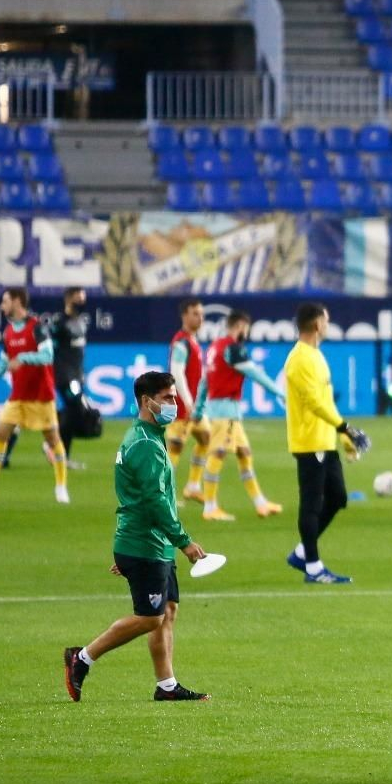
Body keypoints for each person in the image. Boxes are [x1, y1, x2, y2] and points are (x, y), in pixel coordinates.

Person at [63, 371, 210, 702]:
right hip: (146, 542)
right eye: (168, 398)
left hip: (150, 543)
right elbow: (153, 501)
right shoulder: (145, 444)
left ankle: (167, 685)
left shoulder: (145, 435)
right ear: (148, 401)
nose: (175, 404)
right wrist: (183, 541)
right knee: (150, 617)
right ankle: (82, 658)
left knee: (167, 611)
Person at [283, 302, 371, 584]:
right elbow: (314, 402)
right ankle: (313, 567)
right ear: (318, 323)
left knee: (338, 497)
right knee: (310, 503)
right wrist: (344, 427)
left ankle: (301, 552)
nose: (328, 324)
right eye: (327, 319)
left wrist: (344, 436)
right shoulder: (299, 359)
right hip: (309, 441)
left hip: (324, 438)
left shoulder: (315, 355)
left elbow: (324, 402)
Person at [0, 287, 71, 504]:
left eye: (5, 301)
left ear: (17, 302)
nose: (2, 306)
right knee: (0, 434)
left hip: (41, 396)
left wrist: (23, 358)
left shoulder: (37, 327)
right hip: (18, 396)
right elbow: (2, 365)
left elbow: (47, 355)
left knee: (52, 439)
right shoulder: (9, 332)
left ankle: (61, 486)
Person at [193, 309, 286, 523]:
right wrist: (280, 393)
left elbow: (204, 381)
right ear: (240, 326)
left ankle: (261, 504)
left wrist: (198, 409)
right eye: (247, 328)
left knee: (244, 453)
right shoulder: (233, 349)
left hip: (224, 412)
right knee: (217, 455)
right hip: (225, 413)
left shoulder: (215, 348)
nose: (247, 332)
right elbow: (255, 374)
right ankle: (210, 507)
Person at [166, 298, 213, 503]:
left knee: (206, 439)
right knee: (175, 448)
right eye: (195, 313)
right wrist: (187, 401)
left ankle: (193, 486)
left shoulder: (193, 341)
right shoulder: (182, 342)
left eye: (202, 314)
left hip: (194, 406)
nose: (200, 318)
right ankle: (163, 494)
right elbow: (176, 373)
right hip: (182, 407)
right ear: (185, 315)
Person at [52, 286, 90, 469]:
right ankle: (59, 452)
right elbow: (50, 348)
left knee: (74, 411)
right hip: (65, 375)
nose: (82, 301)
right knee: (73, 408)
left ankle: (58, 451)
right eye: (78, 298)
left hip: (76, 374)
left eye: (83, 298)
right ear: (68, 299)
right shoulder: (60, 322)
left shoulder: (80, 321)